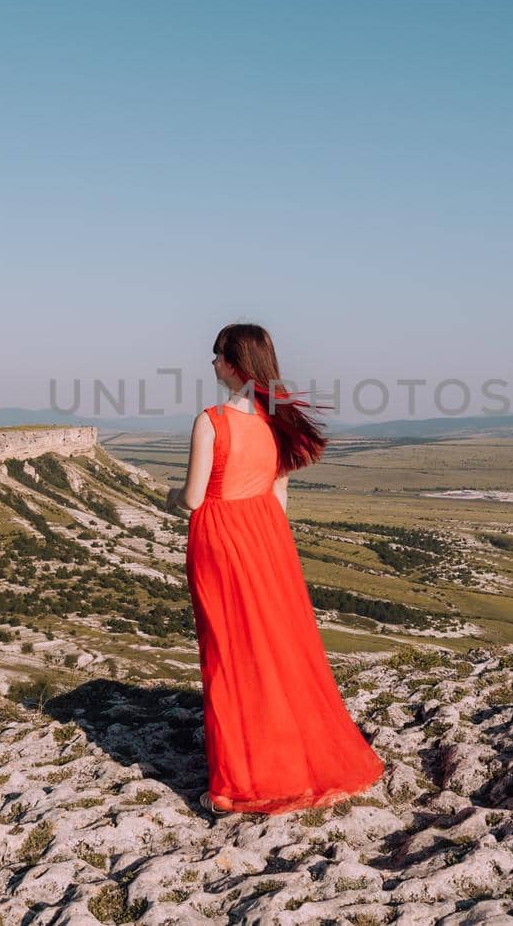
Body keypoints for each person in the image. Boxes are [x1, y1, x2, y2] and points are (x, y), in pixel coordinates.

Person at [165, 322, 385, 815]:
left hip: (220, 540)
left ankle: (243, 780)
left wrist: (168, 496)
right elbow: (278, 497)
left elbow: (195, 498)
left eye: (217, 355)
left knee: (230, 654)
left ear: (234, 363)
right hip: (268, 539)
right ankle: (296, 756)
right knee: (278, 648)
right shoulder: (276, 421)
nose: (213, 364)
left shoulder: (212, 421)